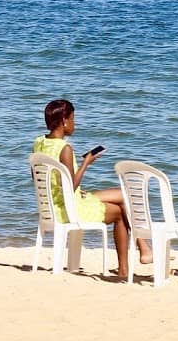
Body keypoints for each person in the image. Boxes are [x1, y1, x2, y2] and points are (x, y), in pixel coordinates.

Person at [32, 99, 148, 279]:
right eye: (72, 119)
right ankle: (132, 260)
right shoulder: (65, 149)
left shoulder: (39, 143)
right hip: (69, 208)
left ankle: (143, 247)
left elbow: (40, 178)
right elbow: (70, 187)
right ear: (64, 120)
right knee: (119, 212)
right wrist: (86, 163)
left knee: (123, 193)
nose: (74, 123)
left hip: (53, 204)